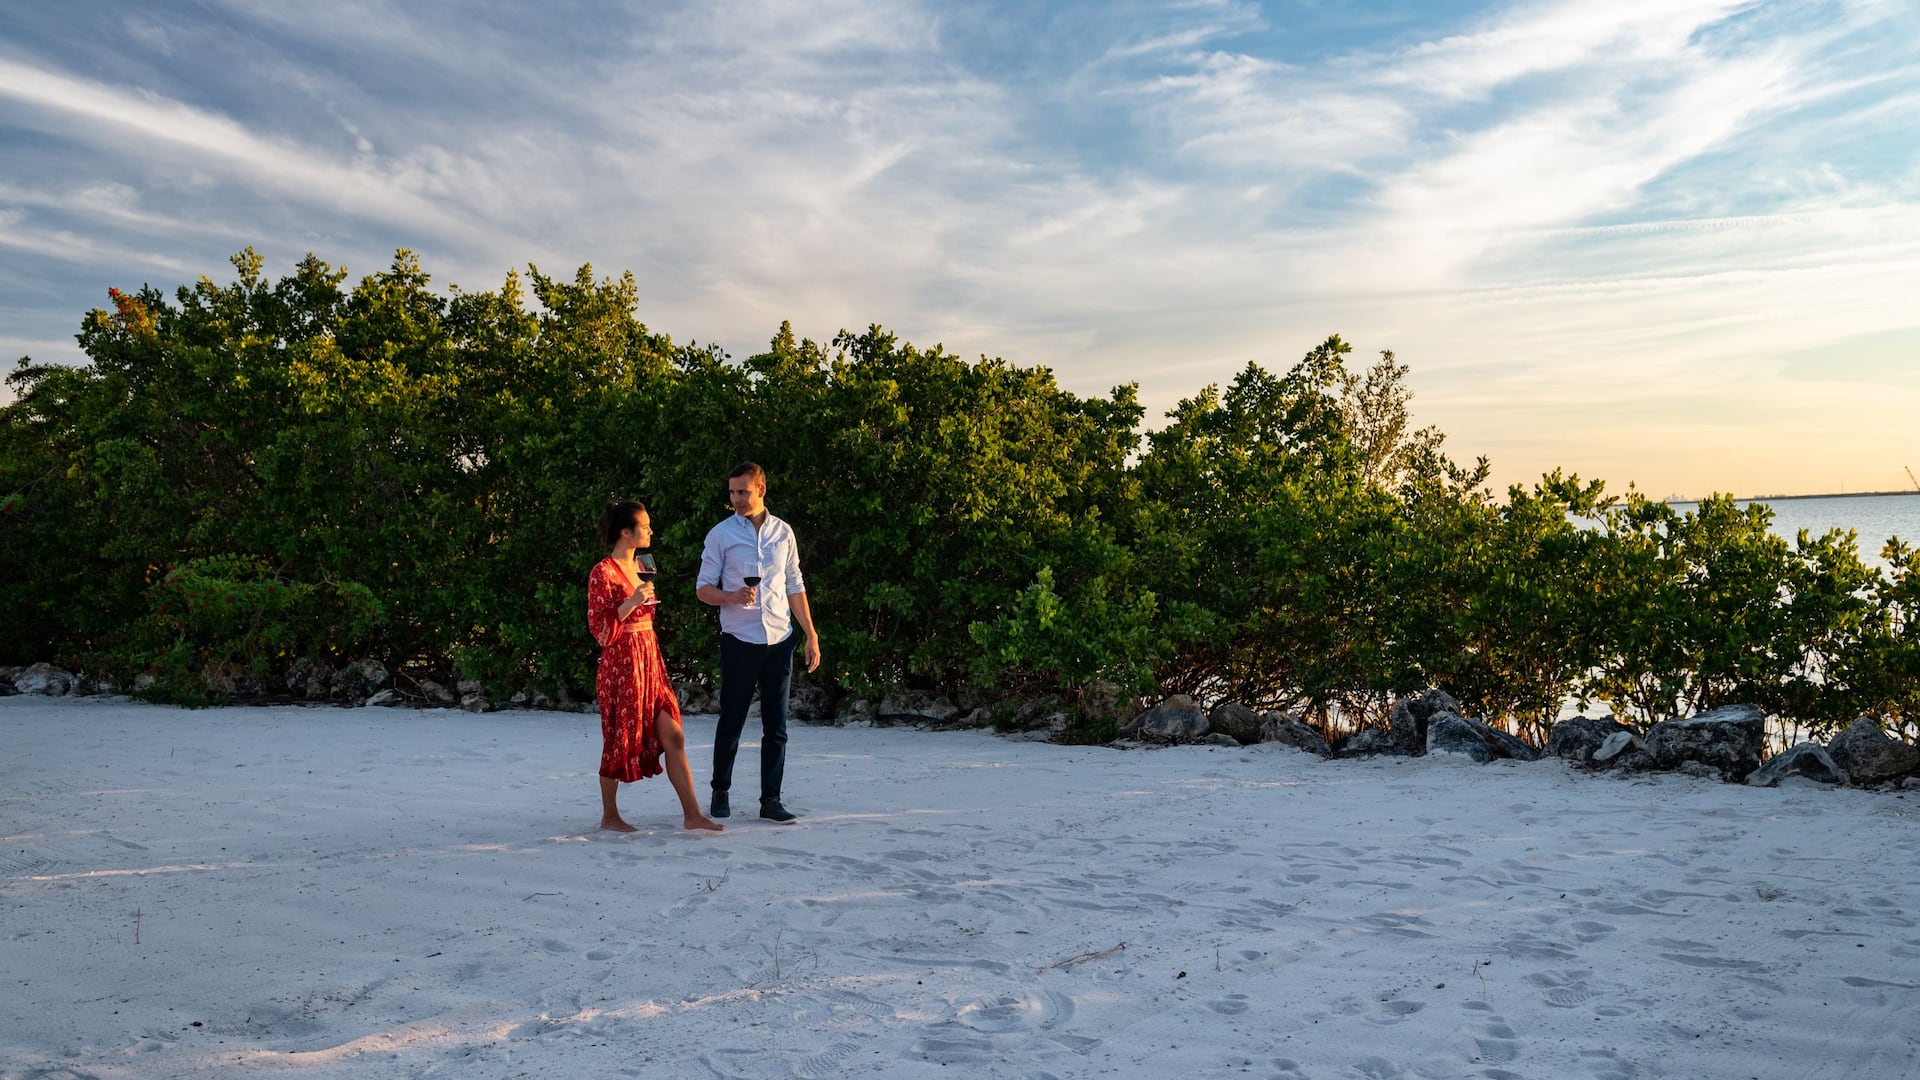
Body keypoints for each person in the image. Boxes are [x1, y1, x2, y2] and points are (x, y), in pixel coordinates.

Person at [587, 500, 724, 834]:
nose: (651, 530)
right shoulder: (603, 572)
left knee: (673, 735)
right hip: (622, 666)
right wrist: (632, 601)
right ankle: (610, 816)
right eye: (645, 526)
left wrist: (640, 602)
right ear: (626, 532)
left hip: (650, 660)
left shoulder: (641, 565)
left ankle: (692, 814)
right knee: (618, 740)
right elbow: (599, 629)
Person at [696, 462, 821, 823]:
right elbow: (703, 588)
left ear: (761, 490)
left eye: (743, 492)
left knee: (776, 726)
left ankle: (771, 800)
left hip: (780, 639)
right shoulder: (720, 535)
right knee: (732, 719)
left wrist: (811, 634)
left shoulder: (783, 532)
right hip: (739, 639)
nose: (736, 499)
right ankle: (720, 790)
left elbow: (795, 584)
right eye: (732, 492)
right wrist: (730, 596)